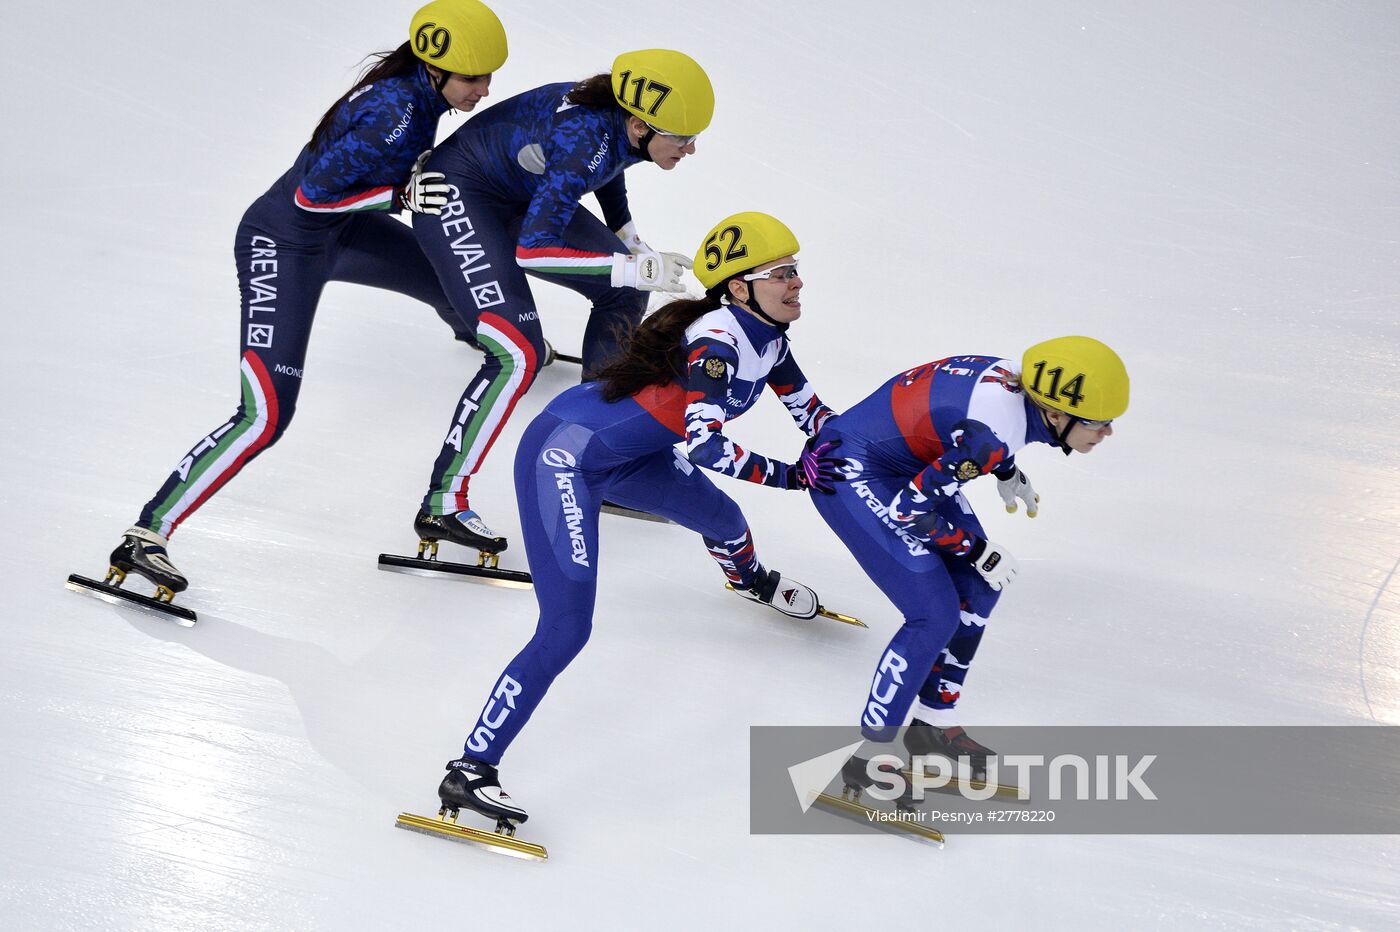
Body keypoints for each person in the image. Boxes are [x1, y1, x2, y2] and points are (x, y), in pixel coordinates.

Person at [423, 212, 847, 831]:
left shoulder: (770, 338)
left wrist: (876, 453)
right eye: (783, 275)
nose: (796, 285)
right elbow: (705, 447)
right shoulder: (718, 345)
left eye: (796, 272)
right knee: (567, 629)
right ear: (739, 287)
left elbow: (814, 417)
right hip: (563, 458)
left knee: (725, 521)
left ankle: (750, 580)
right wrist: (792, 477)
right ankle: (471, 769)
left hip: (631, 454)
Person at [97, 1, 509, 604]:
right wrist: (399, 190)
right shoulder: (394, 109)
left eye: (489, 75)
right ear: (435, 68)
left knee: (450, 280)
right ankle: (145, 534)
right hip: (284, 245)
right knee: (265, 415)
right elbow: (313, 197)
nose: (484, 88)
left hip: (343, 233)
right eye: (474, 79)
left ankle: (481, 335)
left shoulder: (419, 97)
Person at [406, 49, 716, 559]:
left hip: (522, 192)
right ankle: (442, 502)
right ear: (640, 123)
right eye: (682, 137)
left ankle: (603, 458)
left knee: (625, 288)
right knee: (517, 354)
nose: (691, 148)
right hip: (462, 197)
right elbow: (534, 249)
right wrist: (632, 264)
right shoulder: (584, 137)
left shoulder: (617, 127)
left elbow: (609, 168)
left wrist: (631, 243)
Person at [808, 338, 1130, 786]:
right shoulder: (991, 439)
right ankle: (866, 761)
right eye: (1100, 422)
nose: (1108, 432)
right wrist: (979, 549)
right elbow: (908, 511)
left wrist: (1006, 472)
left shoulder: (1016, 391)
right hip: (850, 471)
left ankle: (931, 724)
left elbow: (961, 420)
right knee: (933, 615)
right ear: (1055, 415)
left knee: (981, 586)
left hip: (902, 462)